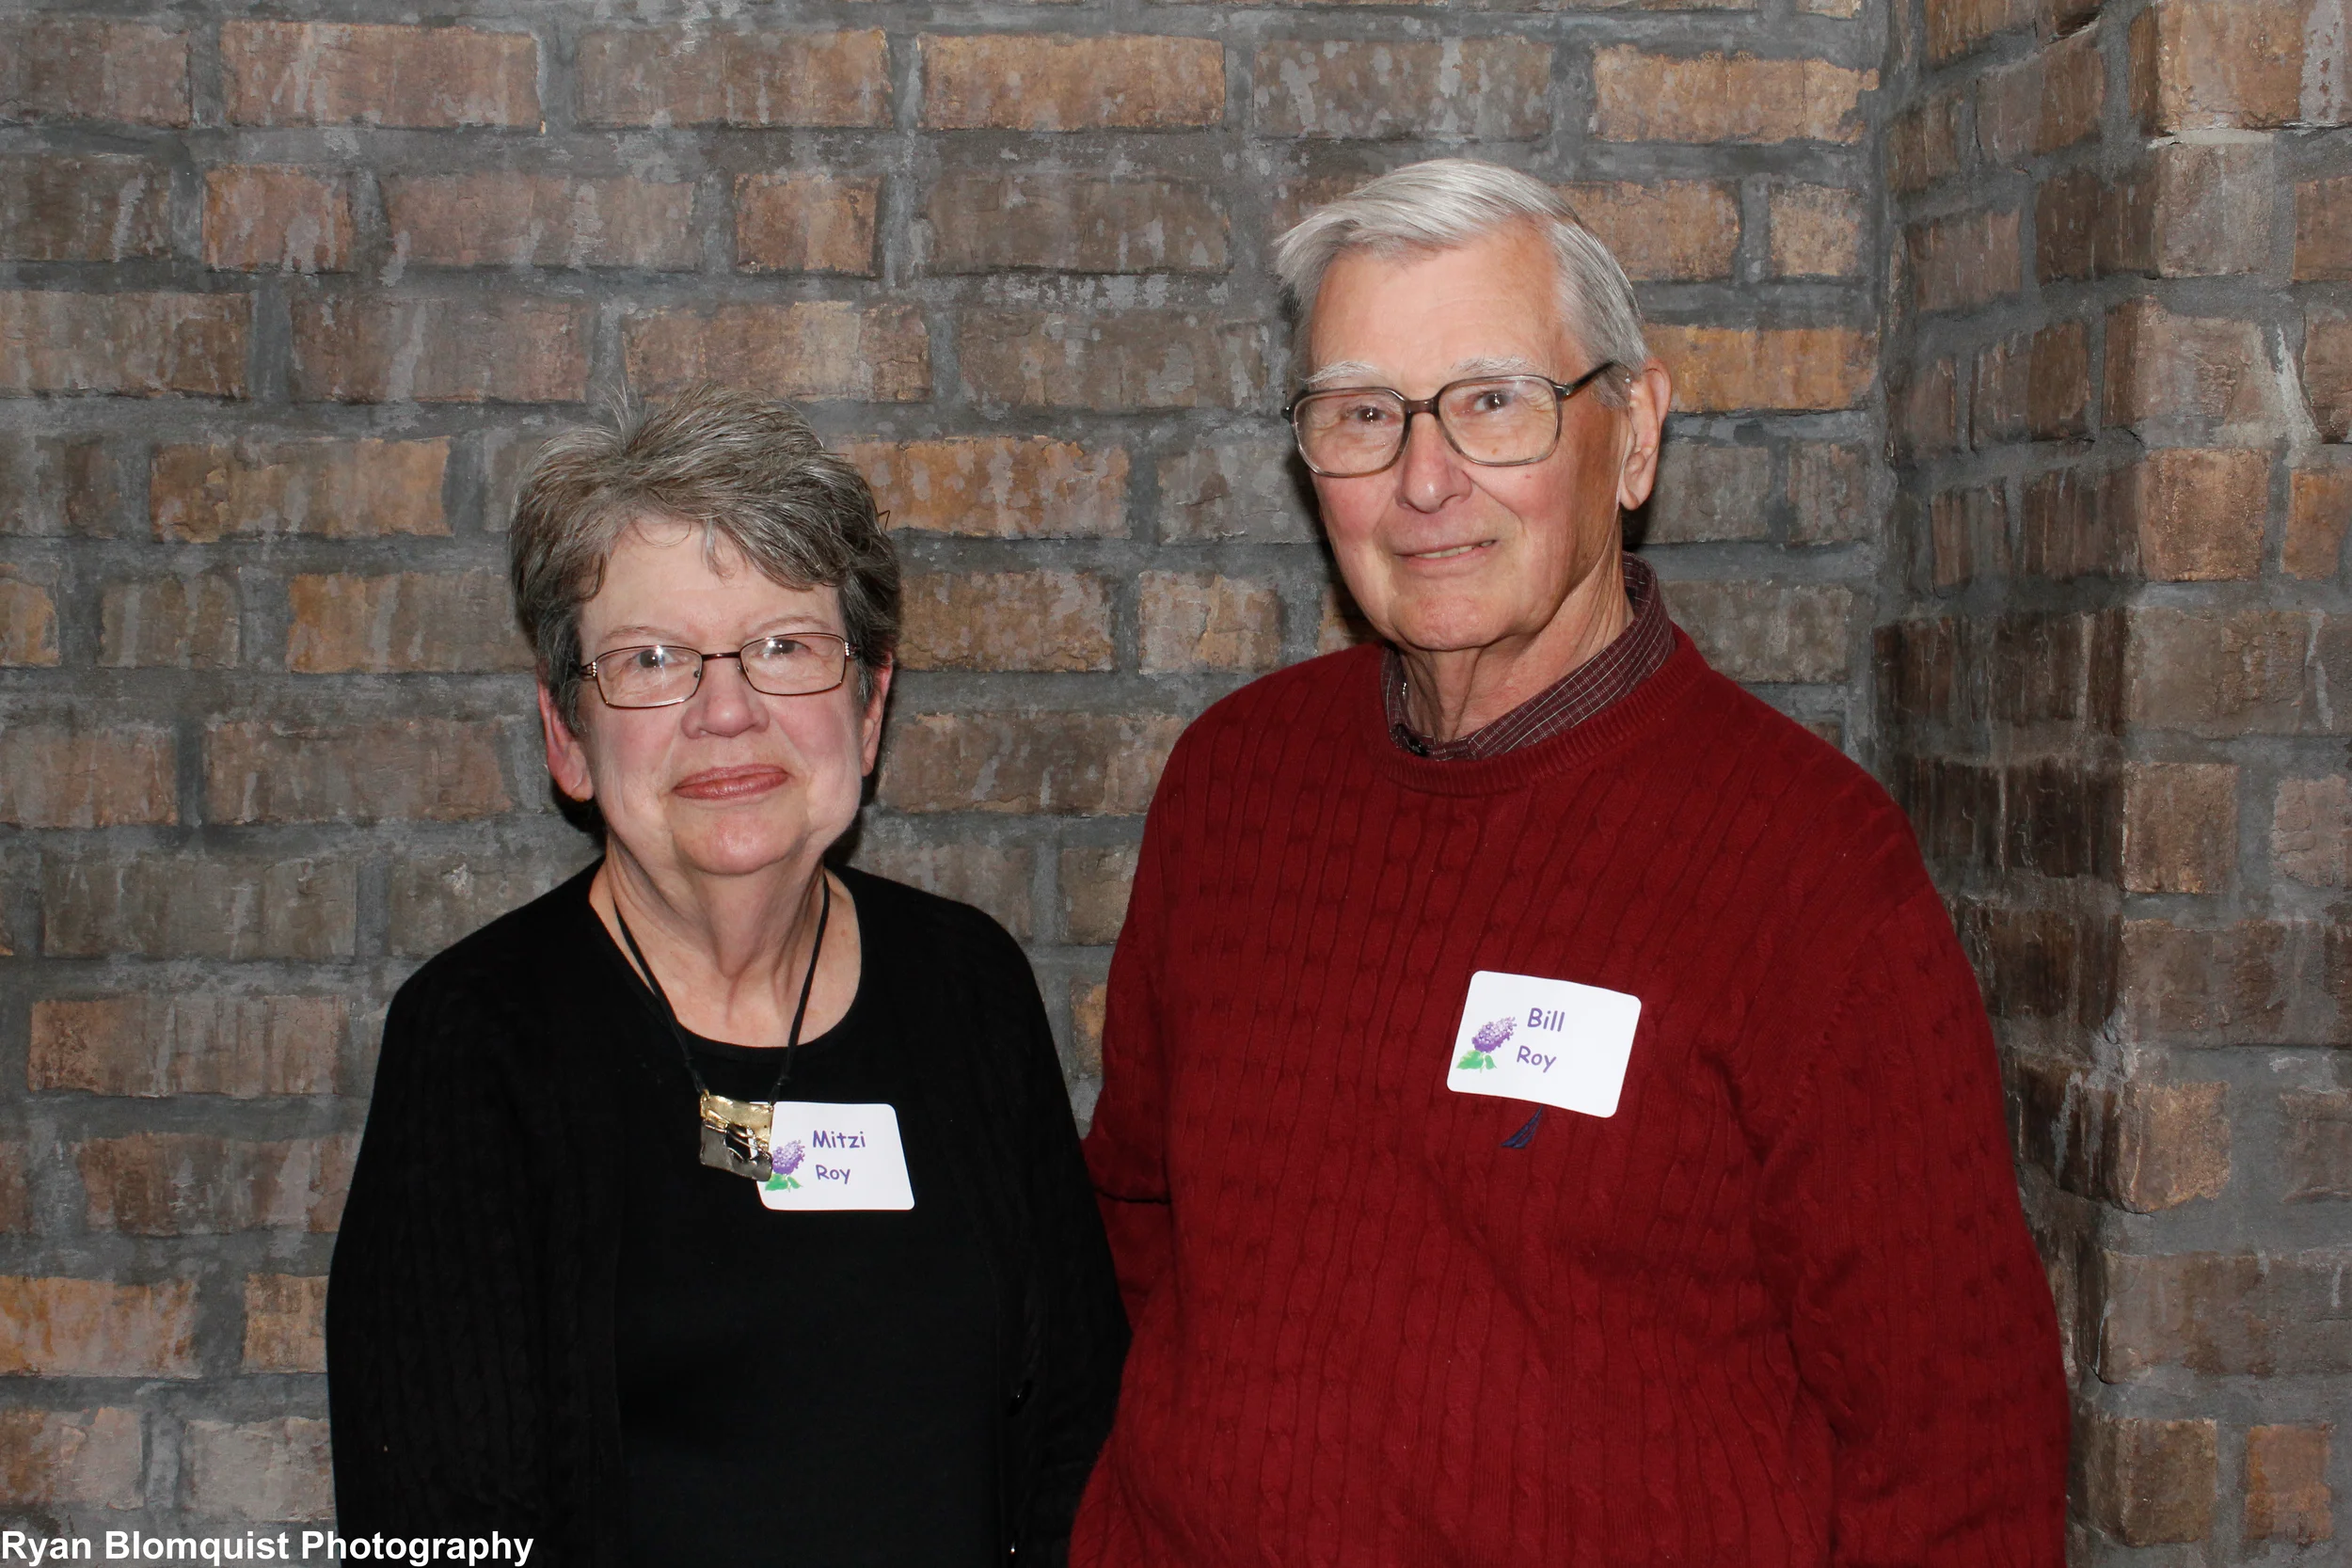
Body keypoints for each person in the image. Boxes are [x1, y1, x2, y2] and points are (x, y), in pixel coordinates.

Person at [1073, 159, 2068, 1562]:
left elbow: (1959, 1446)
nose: (1426, 479)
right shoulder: (1233, 783)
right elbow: (1142, 1218)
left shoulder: (1806, 868)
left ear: (1635, 430)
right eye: (1363, 413)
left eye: (1492, 401)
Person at [327, 386, 1126, 1567]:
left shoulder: (969, 986)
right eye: (652, 659)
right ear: (567, 736)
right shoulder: (478, 1038)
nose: (728, 709)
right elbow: (442, 1526)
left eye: (785, 646)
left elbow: (1076, 1424)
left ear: (868, 707)